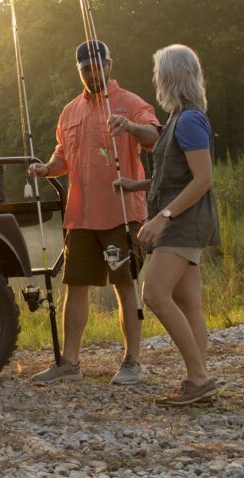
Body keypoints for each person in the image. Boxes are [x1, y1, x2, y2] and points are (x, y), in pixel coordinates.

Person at [30, 40, 161, 386]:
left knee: (124, 284)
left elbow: (155, 137)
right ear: (80, 71)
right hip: (81, 217)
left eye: (98, 66)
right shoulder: (70, 110)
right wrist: (47, 168)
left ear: (110, 64)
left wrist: (131, 127)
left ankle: (133, 361)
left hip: (120, 214)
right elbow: (63, 155)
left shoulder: (131, 103)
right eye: (86, 68)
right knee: (74, 285)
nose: (93, 73)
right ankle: (70, 363)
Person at [113, 44, 220, 406]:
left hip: (184, 224)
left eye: (158, 72)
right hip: (182, 221)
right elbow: (175, 176)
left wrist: (162, 217)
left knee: (154, 294)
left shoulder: (190, 119)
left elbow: (203, 178)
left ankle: (200, 377)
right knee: (188, 302)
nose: (154, 78)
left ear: (171, 77)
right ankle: (198, 379)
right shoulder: (177, 118)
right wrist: (138, 186)